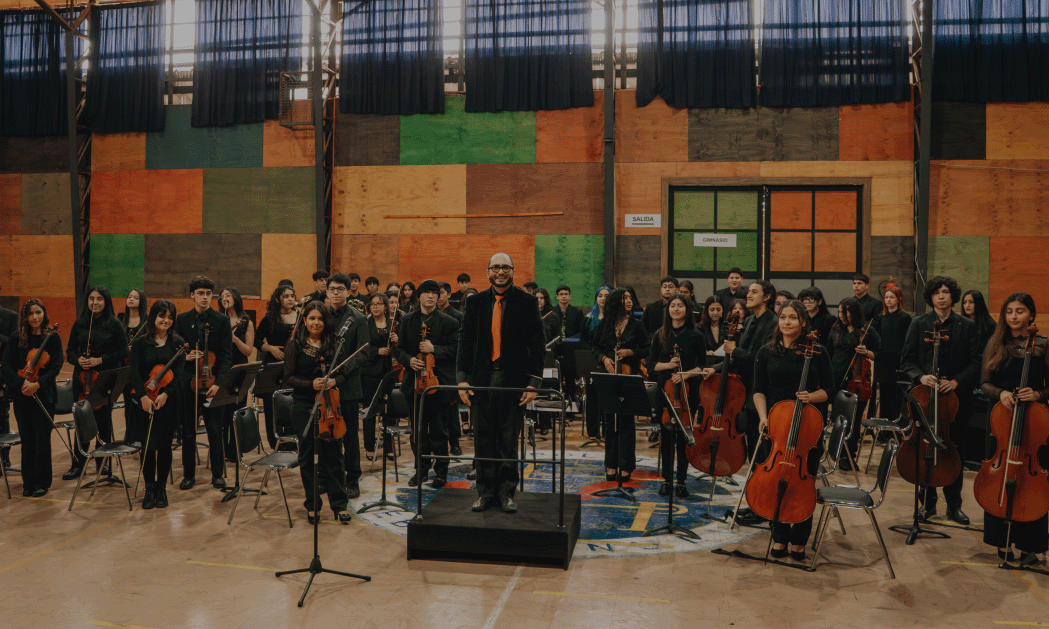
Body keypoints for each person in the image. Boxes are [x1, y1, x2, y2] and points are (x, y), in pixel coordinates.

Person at [457, 254, 545, 513]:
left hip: (513, 382)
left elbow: (537, 345)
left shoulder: (527, 302)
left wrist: (533, 383)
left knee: (508, 441)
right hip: (481, 381)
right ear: (487, 272)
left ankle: (507, 494)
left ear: (513, 271)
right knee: (484, 440)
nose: (500, 271)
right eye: (495, 267)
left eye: (505, 267)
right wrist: (461, 379)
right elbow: (464, 342)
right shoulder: (475, 302)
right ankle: (485, 493)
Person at [752, 300, 834, 561]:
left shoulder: (817, 351)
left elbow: (831, 389)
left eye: (793, 318)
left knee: (803, 481)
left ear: (803, 322)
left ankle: (799, 539)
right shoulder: (766, 352)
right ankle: (778, 536)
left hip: (806, 428)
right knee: (774, 479)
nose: (787, 322)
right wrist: (763, 417)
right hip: (775, 426)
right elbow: (758, 390)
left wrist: (812, 397)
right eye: (783, 317)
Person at [900, 276, 982, 525]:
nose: (941, 296)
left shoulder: (967, 325)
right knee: (924, 448)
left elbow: (977, 362)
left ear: (952, 296)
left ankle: (954, 505)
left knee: (954, 450)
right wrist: (920, 377)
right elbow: (906, 361)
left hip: (955, 402)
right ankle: (928, 503)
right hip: (925, 400)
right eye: (936, 293)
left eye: (946, 292)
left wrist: (956, 382)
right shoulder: (919, 323)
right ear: (931, 297)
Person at [978, 292, 1049, 563]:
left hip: (1033, 423)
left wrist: (1039, 395)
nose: (1014, 316)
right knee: (999, 475)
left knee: (1032, 483)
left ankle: (1031, 544)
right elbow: (984, 381)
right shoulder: (995, 343)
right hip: (1001, 422)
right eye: (1009, 311)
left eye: (1020, 311)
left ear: (1031, 314)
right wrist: (1001, 394)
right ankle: (1001, 540)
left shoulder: (1043, 344)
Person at [282, 301, 352, 524]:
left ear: (326, 322)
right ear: (305, 321)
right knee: (307, 458)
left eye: (320, 319)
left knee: (334, 457)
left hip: (329, 406)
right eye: (312, 318)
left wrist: (334, 380)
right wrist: (310, 384)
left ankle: (340, 505)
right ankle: (312, 505)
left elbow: (344, 373)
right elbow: (288, 378)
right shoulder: (295, 346)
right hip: (304, 405)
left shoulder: (334, 344)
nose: (316, 322)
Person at [397, 280, 459, 488]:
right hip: (414, 384)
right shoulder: (407, 320)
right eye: (426, 293)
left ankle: (441, 472)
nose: (431, 296)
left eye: (435, 293)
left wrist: (434, 349)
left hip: (438, 383)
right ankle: (421, 470)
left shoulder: (450, 322)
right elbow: (400, 349)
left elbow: (456, 351)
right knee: (418, 431)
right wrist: (409, 360)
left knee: (440, 431)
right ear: (419, 296)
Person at [174, 276, 233, 490]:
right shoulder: (181, 319)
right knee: (188, 430)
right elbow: (175, 350)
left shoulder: (221, 320)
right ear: (192, 295)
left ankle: (217, 473)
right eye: (200, 293)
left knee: (215, 430)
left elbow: (227, 356)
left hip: (213, 384)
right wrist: (185, 356)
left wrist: (220, 383)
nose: (205, 297)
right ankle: (188, 474)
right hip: (188, 383)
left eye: (208, 293)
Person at [64, 286, 128, 480]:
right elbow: (71, 350)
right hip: (82, 379)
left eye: (99, 299)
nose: (95, 302)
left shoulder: (114, 324)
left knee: (103, 422)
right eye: (92, 298)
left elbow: (123, 352)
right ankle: (78, 464)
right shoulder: (80, 323)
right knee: (81, 420)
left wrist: (100, 360)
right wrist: (78, 360)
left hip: (104, 377)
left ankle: (103, 462)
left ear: (106, 302)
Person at [2, 299, 63, 497]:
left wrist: (38, 384)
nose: (35, 317)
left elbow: (55, 367)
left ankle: (42, 481)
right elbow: (7, 367)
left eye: (38, 312)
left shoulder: (52, 338)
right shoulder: (15, 338)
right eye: (30, 314)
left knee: (42, 439)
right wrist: (22, 384)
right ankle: (28, 482)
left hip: (44, 394)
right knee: (27, 439)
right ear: (25, 317)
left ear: (44, 313)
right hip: (22, 397)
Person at [647, 294, 706, 497]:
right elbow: (650, 365)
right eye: (673, 306)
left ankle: (681, 480)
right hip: (666, 389)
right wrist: (669, 366)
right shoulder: (660, 334)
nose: (676, 309)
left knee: (684, 437)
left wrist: (685, 374)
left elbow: (702, 365)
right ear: (668, 309)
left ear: (687, 310)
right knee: (666, 437)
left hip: (689, 389)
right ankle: (666, 480)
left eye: (680, 306)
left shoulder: (696, 335)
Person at [129, 300, 185, 509]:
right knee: (148, 447)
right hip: (144, 402)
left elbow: (178, 374)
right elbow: (134, 372)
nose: (166, 321)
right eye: (162, 316)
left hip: (167, 403)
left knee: (164, 446)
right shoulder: (140, 343)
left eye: (170, 317)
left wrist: (166, 394)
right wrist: (143, 396)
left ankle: (161, 488)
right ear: (153, 317)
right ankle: (149, 488)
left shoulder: (177, 343)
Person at [592, 288, 650, 482]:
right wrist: (604, 358)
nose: (629, 301)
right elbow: (595, 347)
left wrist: (630, 353)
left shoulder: (636, 325)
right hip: (608, 377)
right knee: (609, 422)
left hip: (628, 376)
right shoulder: (604, 325)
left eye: (630, 298)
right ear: (616, 301)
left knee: (626, 423)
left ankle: (626, 466)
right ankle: (610, 464)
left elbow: (646, 348)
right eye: (624, 298)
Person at [326, 273, 370, 499]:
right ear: (326, 292)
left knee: (350, 436)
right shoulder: (321, 316)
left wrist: (341, 371)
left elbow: (364, 352)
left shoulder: (358, 318)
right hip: (325, 387)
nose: (335, 292)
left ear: (347, 291)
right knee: (328, 434)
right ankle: (331, 477)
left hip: (349, 387)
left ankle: (353, 479)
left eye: (340, 289)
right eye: (332, 289)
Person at [825, 297, 880, 467]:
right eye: (840, 311)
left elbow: (879, 353)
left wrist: (866, 352)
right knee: (838, 419)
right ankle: (837, 453)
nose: (841, 315)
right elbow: (828, 352)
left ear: (854, 312)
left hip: (857, 382)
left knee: (854, 421)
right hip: (836, 379)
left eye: (845, 312)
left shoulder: (868, 331)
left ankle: (848, 457)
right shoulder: (835, 329)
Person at [255, 284, 298, 450]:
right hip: (273, 366)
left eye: (292, 296)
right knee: (271, 404)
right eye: (286, 296)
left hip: (293, 366)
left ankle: (292, 440)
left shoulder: (300, 316)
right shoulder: (269, 318)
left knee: (291, 403)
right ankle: (275, 441)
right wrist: (271, 348)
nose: (290, 299)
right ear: (278, 299)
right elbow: (257, 341)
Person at [361, 292, 397, 461]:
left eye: (379, 303)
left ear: (385, 306)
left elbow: (401, 347)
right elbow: (361, 348)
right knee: (369, 411)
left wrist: (398, 339)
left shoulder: (392, 323)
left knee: (388, 411)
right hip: (369, 372)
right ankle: (369, 447)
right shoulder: (365, 323)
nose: (375, 306)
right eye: (372, 304)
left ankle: (388, 447)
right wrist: (377, 352)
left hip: (388, 372)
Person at [220, 287, 255, 460]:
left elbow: (248, 351)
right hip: (221, 370)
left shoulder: (246, 322)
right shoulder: (218, 320)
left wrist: (235, 340)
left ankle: (235, 450)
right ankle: (221, 450)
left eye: (228, 295)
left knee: (237, 408)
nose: (224, 298)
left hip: (239, 369)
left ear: (236, 297)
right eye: (222, 296)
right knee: (222, 411)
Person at [872, 281, 912, 425]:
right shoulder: (880, 317)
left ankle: (896, 427)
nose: (888, 300)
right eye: (886, 297)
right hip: (883, 360)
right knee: (884, 396)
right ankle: (884, 430)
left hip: (898, 360)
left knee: (896, 397)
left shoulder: (905, 317)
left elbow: (908, 340)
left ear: (899, 299)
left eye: (892, 297)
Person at [117, 289, 148, 445]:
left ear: (141, 301)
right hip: (123, 367)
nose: (131, 299)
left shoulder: (147, 321)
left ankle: (141, 437)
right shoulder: (120, 319)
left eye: (136, 297)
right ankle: (130, 438)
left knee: (139, 403)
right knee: (128, 403)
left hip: (140, 368)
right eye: (129, 296)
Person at [0, 286, 19, 470]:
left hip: (1, 375)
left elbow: (15, 342)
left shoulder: (10, 316)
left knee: (2, 416)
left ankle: (4, 457)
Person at [699, 296, 727, 366]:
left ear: (722, 310)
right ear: (707, 310)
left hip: (723, 365)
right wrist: (706, 352)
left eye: (718, 309)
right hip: (706, 364)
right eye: (712, 310)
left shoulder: (727, 328)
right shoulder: (699, 328)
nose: (715, 313)